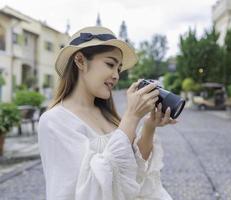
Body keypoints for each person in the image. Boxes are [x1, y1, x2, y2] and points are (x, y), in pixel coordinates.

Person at [37, 26, 178, 200]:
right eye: (110, 64)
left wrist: (149, 125)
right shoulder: (54, 121)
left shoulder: (107, 115)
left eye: (118, 69)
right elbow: (88, 189)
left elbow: (135, 173)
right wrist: (131, 116)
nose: (116, 75)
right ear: (80, 61)